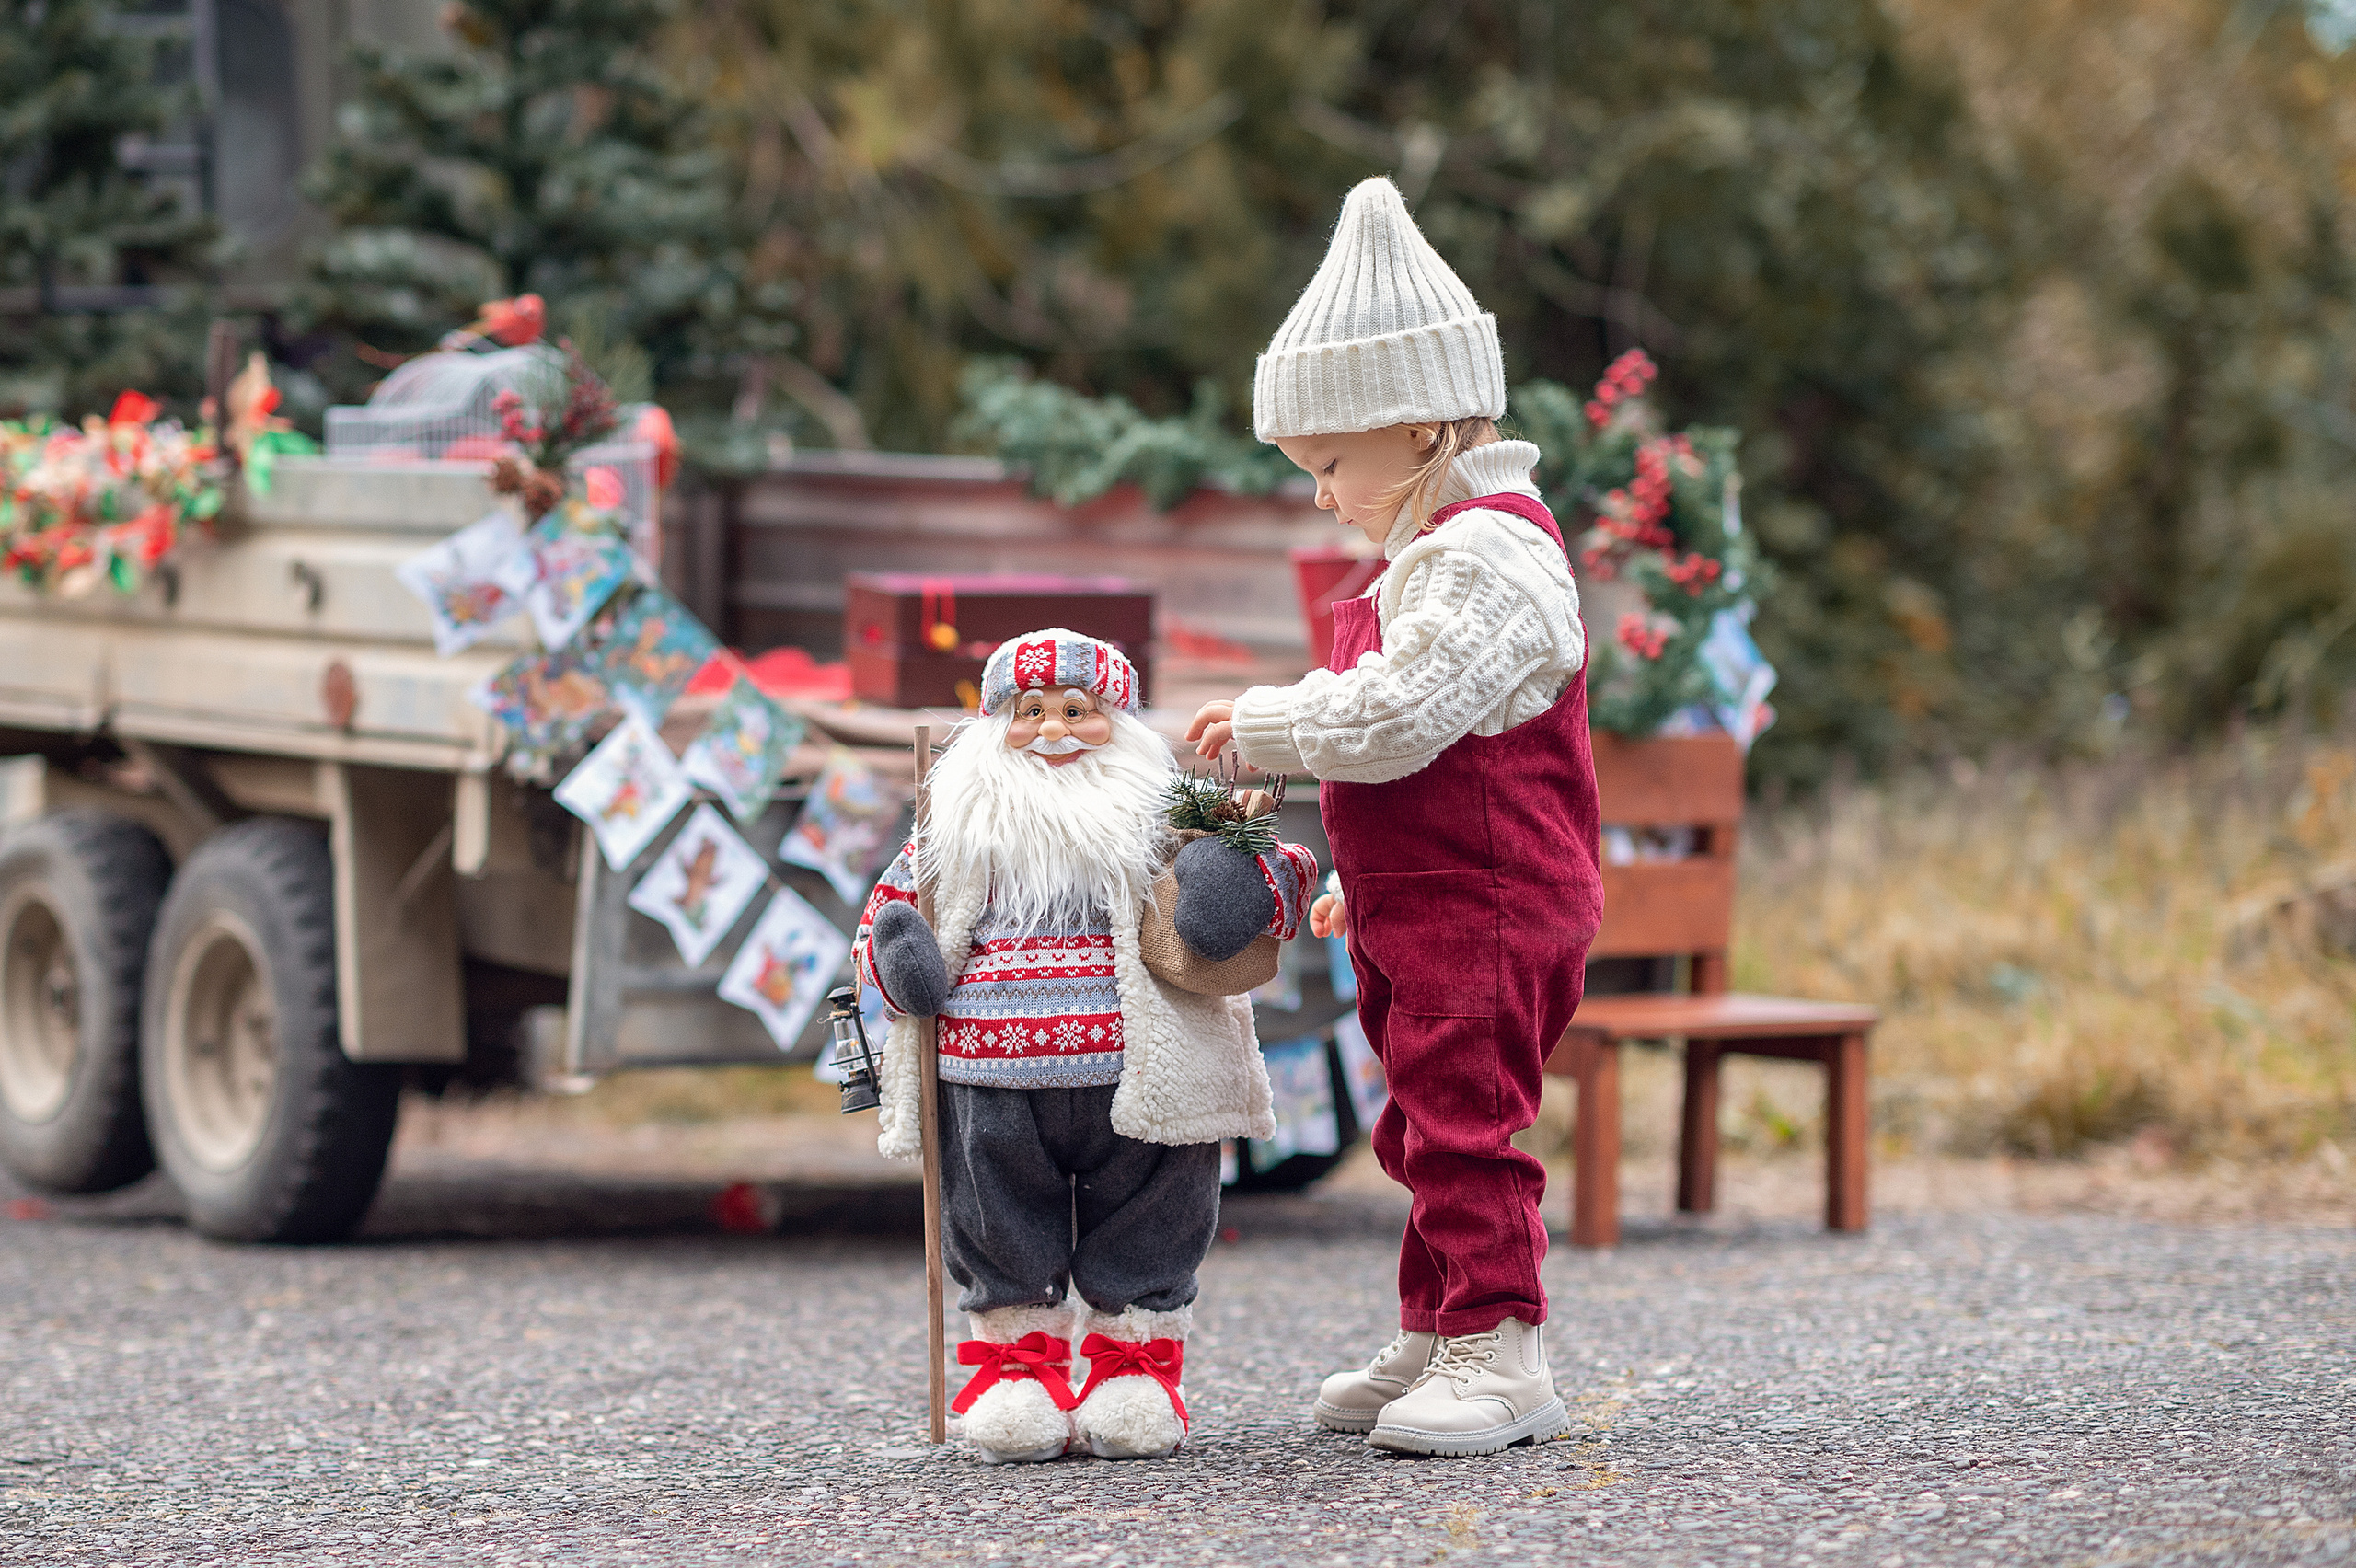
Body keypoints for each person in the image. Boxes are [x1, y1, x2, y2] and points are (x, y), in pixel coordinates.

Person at [1187, 177, 1603, 1458]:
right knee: (1419, 1114)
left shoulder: (1491, 556)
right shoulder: (1428, 553)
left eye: (1327, 463)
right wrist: (1352, 874)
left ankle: (1503, 1343)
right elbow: (1399, 750)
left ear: (1419, 425)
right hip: (1420, 900)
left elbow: (1400, 714)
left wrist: (1264, 724)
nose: (1319, 493)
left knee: (1470, 1117)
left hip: (1491, 899)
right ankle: (1437, 1324)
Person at [856, 629, 1318, 1464]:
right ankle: (1017, 1378)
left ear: (1121, 721)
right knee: (998, 1222)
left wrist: (1250, 881)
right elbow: (887, 920)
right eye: (1029, 712)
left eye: (1079, 711)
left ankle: (1132, 1372)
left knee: (1154, 1215)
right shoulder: (948, 829)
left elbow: (1274, 864)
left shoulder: (1165, 813)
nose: (1054, 730)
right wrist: (899, 963)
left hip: (1143, 1072)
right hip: (989, 1075)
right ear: (996, 726)